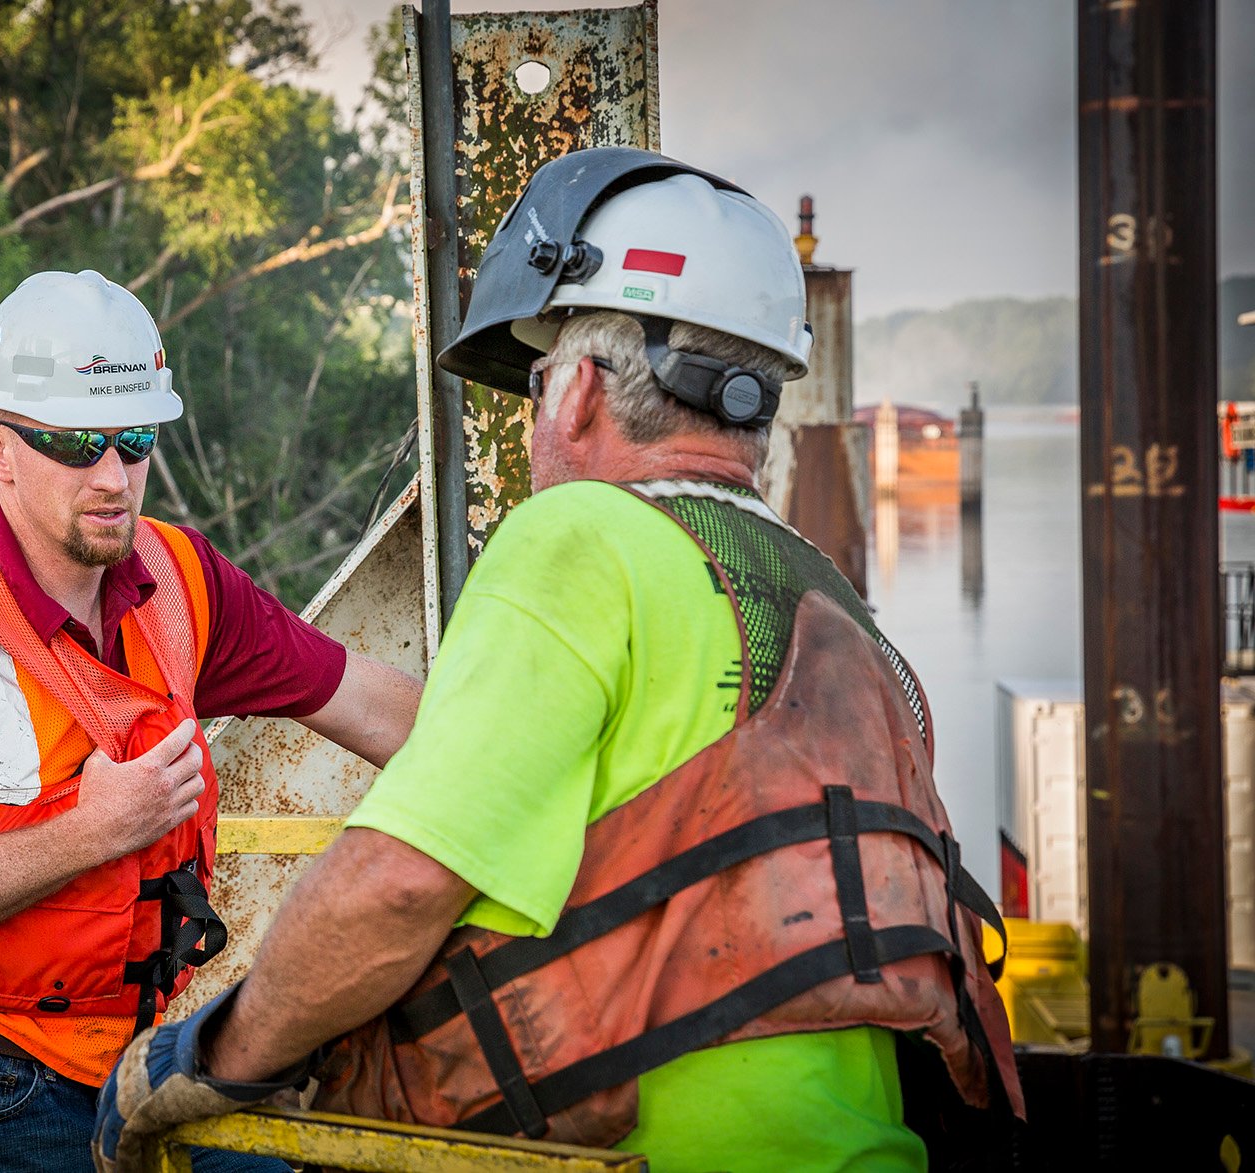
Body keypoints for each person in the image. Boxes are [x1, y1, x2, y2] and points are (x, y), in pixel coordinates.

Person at [93, 149, 1024, 1173]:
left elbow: (399, 884)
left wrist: (209, 1058)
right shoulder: (826, 590)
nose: (536, 418)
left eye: (535, 383)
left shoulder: (581, 536)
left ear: (577, 390)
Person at [0, 269, 423, 1173]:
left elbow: (367, 701)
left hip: (130, 1069)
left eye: (134, 439)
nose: (112, 476)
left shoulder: (180, 578)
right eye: (75, 442)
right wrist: (94, 830)